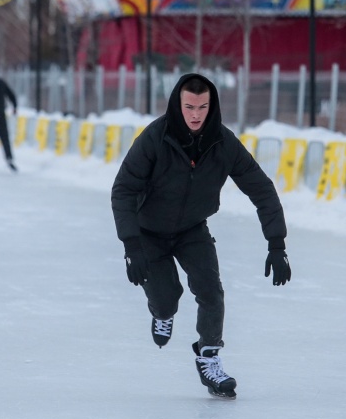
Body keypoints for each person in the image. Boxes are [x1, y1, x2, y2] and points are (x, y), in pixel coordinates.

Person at [111, 73, 291, 400]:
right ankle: (162, 313)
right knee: (167, 299)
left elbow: (261, 189)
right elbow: (123, 190)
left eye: (203, 107)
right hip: (149, 231)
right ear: (178, 105)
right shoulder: (155, 138)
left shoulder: (222, 143)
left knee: (211, 291)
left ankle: (209, 359)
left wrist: (276, 244)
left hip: (192, 229)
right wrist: (131, 245)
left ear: (212, 106)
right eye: (189, 107)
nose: (196, 114)